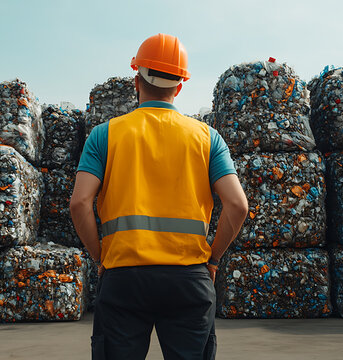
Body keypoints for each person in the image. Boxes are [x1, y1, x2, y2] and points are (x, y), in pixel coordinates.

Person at [70, 33, 248, 360]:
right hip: (189, 278)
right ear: (179, 86)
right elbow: (237, 205)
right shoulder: (207, 138)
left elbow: (80, 202)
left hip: (123, 276)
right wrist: (213, 259)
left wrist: (100, 258)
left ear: (136, 80)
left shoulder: (104, 136)